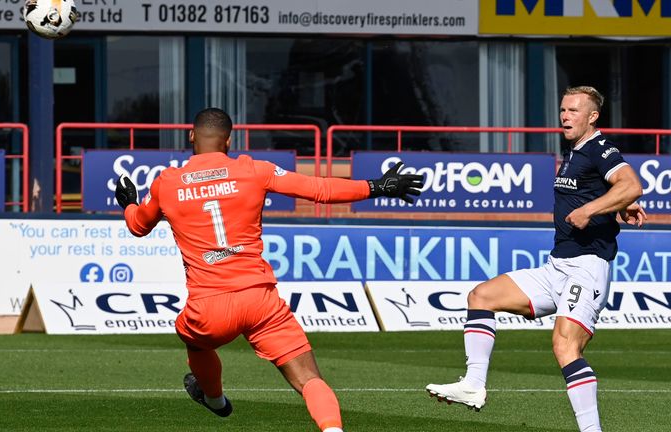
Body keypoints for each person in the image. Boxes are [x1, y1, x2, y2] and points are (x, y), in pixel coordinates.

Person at [114, 107, 424, 432]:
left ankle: (215, 399)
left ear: (191, 135)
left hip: (209, 306)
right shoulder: (253, 170)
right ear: (229, 140)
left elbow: (138, 226)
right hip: (260, 300)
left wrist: (129, 203)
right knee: (308, 379)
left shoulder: (168, 182)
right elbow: (318, 189)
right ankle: (333, 430)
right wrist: (377, 187)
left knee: (195, 342)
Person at [426, 86, 647, 432]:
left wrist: (596, 207)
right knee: (481, 296)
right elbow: (611, 190)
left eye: (574, 111)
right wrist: (615, 202)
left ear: (593, 117)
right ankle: (473, 384)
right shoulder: (573, 150)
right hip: (556, 266)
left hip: (587, 268)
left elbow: (631, 184)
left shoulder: (600, 147)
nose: (565, 116)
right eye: (563, 110)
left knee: (565, 345)